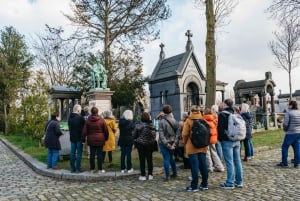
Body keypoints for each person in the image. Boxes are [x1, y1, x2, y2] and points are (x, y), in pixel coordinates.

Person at [182, 105, 209, 192]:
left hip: (192, 146)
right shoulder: (203, 120)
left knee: (194, 166)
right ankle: (204, 184)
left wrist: (184, 142)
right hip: (203, 146)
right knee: (203, 165)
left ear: (191, 111)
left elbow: (185, 134)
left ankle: (194, 186)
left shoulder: (188, 121)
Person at [218, 99, 243, 189]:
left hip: (227, 140)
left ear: (225, 104)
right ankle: (239, 182)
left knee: (229, 162)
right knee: (237, 161)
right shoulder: (235, 113)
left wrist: (221, 139)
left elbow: (220, 129)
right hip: (237, 140)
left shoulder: (222, 114)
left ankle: (230, 183)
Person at [82, 106, 109, 174]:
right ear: (97, 112)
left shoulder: (88, 120)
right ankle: (100, 169)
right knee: (100, 154)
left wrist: (83, 139)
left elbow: (84, 131)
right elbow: (106, 130)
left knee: (92, 155)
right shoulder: (101, 120)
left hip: (91, 139)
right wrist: (106, 138)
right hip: (100, 138)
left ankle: (92, 169)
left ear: (91, 112)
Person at [158, 104, 180, 182]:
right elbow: (178, 134)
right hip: (172, 141)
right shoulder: (174, 120)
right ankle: (175, 173)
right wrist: (174, 144)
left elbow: (161, 135)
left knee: (166, 159)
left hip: (165, 143)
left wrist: (166, 144)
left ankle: (167, 176)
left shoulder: (162, 122)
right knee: (171, 158)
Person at [132, 112, 156, 181]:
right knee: (149, 159)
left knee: (142, 160)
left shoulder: (138, 126)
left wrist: (136, 140)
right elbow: (154, 136)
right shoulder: (152, 126)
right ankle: (150, 174)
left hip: (141, 144)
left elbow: (133, 135)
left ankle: (143, 175)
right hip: (150, 144)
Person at [277, 100, 300, 168]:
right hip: (298, 132)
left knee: (284, 147)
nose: (287, 106)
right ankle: (297, 163)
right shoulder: (299, 112)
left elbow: (285, 124)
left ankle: (284, 162)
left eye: (288, 104)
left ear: (291, 105)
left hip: (290, 133)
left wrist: (285, 129)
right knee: (297, 147)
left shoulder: (288, 113)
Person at [203, 108, 224, 172]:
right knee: (214, 152)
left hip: (206, 138)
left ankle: (209, 167)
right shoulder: (213, 119)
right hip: (214, 138)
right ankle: (219, 166)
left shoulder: (204, 120)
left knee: (207, 153)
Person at [68, 104, 85, 173]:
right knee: (79, 153)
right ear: (78, 110)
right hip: (79, 137)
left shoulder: (70, 117)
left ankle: (72, 168)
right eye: (80, 110)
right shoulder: (80, 118)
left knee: (72, 152)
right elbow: (84, 127)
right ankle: (78, 168)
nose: (81, 111)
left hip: (72, 137)